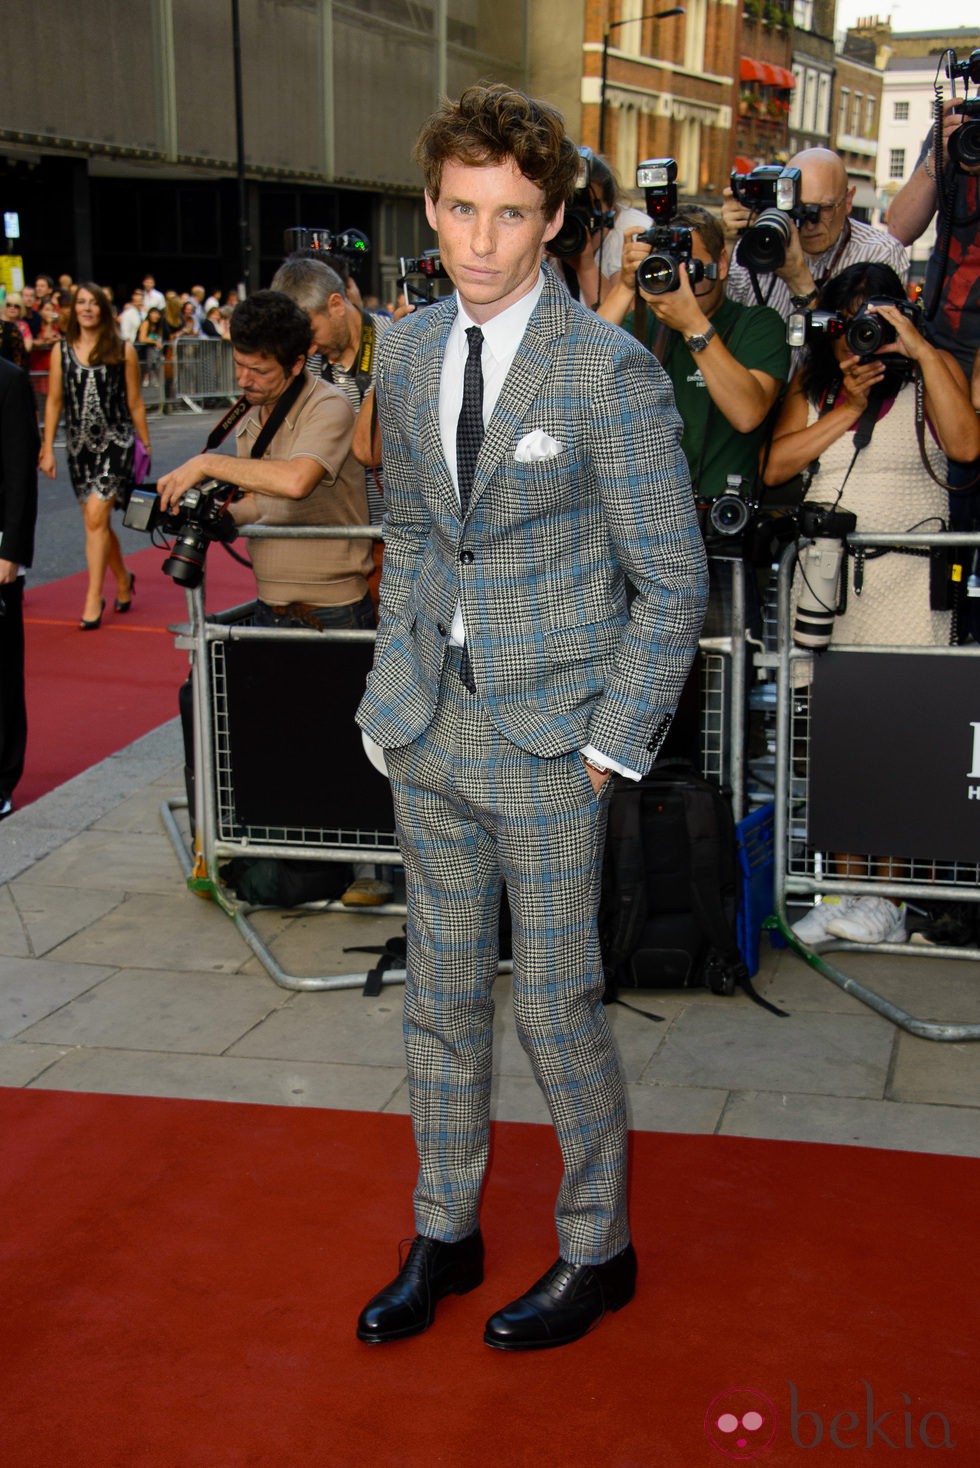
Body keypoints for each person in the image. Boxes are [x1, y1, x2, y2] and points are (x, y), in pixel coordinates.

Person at [354, 83, 707, 1352]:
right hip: (428, 727)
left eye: (510, 214)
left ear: (553, 217)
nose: (480, 242)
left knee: (555, 1007)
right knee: (438, 998)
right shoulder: (398, 350)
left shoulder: (605, 370)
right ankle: (444, 1229)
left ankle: (594, 1248)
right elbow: (407, 526)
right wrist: (389, 694)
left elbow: (671, 579)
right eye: (459, 210)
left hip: (557, 743)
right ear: (433, 206)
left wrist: (610, 747)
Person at [763, 261, 979, 946]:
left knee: (900, 737)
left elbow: (967, 443)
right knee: (832, 737)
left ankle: (888, 897)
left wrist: (916, 348)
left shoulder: (932, 369)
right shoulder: (817, 386)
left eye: (876, 321)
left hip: (910, 588)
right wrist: (849, 409)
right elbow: (775, 466)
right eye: (851, 323)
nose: (863, 339)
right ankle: (844, 890)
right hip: (828, 586)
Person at [156, 290, 374, 631]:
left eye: (258, 370)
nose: (243, 380)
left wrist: (206, 464)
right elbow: (261, 505)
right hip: (270, 601)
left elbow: (296, 481)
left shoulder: (329, 406)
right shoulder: (251, 414)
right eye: (239, 365)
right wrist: (217, 514)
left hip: (332, 607)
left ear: (297, 364)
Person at [39, 282, 150, 630]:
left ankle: (92, 597)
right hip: (78, 448)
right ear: (73, 310)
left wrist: (144, 446)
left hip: (116, 442)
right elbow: (55, 401)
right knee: (95, 522)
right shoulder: (61, 351)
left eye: (93, 303)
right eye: (81, 303)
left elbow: (134, 401)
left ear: (103, 308)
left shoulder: (122, 350)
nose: (87, 308)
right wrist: (46, 448)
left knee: (96, 516)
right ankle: (123, 578)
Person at [722, 148, 910, 324]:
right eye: (799, 209)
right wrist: (727, 245)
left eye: (826, 208)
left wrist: (801, 284)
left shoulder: (881, 252)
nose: (811, 223)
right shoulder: (759, 243)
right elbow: (720, 322)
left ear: (848, 200)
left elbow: (858, 348)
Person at [0, 352, 39, 819]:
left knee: (3, 673)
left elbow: (19, 475)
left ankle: (3, 778)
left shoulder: (8, 381)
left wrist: (11, 551)